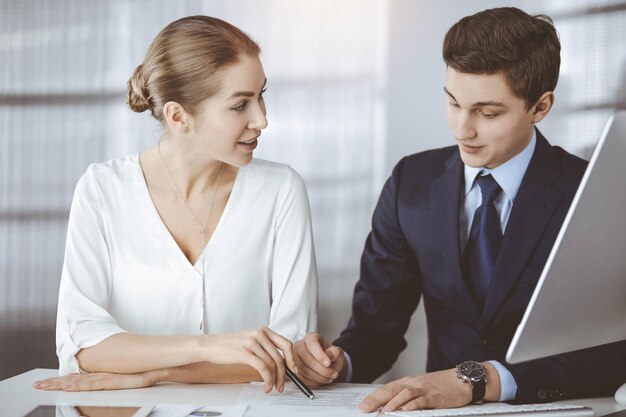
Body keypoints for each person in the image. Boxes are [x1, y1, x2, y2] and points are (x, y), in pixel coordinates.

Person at [293, 6, 626, 413]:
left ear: (540, 107)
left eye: (488, 113)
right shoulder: (410, 183)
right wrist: (336, 362)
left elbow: (616, 351)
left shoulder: (596, 191)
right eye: (453, 102)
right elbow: (375, 330)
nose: (461, 129)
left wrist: (482, 381)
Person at [33, 15, 318, 393]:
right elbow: (83, 344)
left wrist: (154, 372)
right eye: (239, 105)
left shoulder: (281, 190)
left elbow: (290, 354)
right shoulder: (102, 190)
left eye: (261, 94)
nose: (261, 119)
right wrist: (210, 347)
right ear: (179, 116)